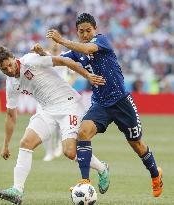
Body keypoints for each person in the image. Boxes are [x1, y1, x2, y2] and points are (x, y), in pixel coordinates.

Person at [46, 13, 163, 197]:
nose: (84, 34)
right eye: (81, 31)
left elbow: (87, 49)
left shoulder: (101, 41)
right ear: (77, 32)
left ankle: (156, 175)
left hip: (121, 102)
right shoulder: (77, 50)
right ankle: (85, 181)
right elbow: (59, 59)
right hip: (100, 104)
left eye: (88, 31)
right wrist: (39, 56)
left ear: (95, 30)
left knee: (137, 145)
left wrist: (62, 40)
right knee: (83, 132)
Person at [0, 46, 108, 205]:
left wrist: (87, 75)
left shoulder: (30, 60)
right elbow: (11, 116)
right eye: (4, 69)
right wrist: (5, 145)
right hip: (47, 110)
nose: (10, 70)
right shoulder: (11, 83)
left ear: (13, 57)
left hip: (69, 105)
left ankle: (102, 168)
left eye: (10, 65)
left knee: (69, 152)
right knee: (26, 143)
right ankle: (17, 190)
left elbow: (63, 60)